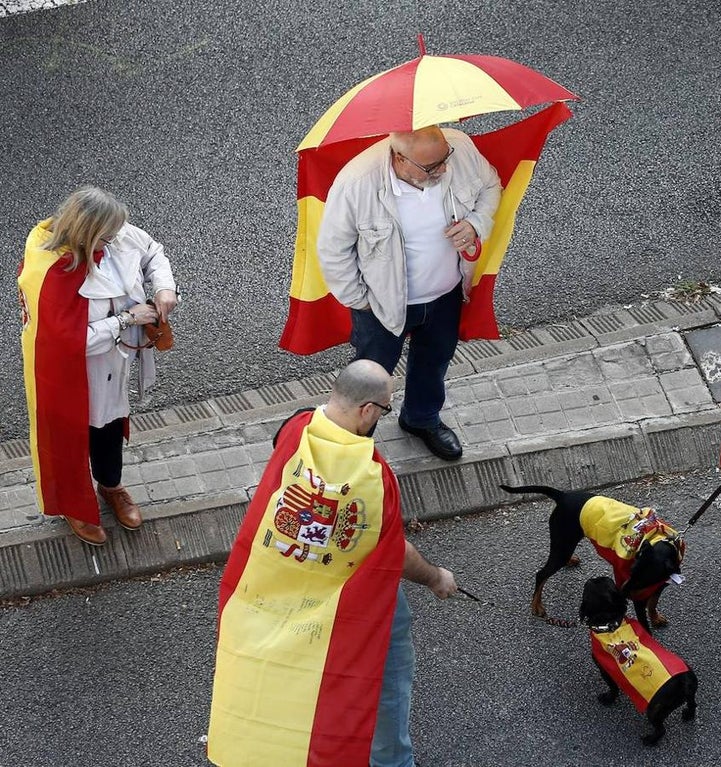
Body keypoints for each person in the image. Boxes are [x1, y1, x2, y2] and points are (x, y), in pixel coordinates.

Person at [207, 360, 458, 767]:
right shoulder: (372, 480)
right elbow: (394, 554)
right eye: (385, 409)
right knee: (384, 684)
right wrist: (436, 578)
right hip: (346, 607)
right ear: (368, 411)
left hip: (274, 593)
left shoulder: (295, 428)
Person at [316, 125, 502, 461]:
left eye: (445, 160)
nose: (444, 169)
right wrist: (362, 301)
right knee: (371, 377)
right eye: (432, 168)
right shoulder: (356, 183)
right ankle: (355, 442)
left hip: (445, 295)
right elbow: (333, 251)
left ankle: (421, 418)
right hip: (383, 305)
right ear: (400, 160)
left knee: (434, 363)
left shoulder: (457, 150)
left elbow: (491, 184)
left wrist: (476, 223)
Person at [18, 186, 178, 546]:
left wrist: (165, 287)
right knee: (68, 438)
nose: (116, 238)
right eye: (107, 235)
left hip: (110, 365)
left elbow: (151, 250)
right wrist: (126, 320)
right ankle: (74, 504)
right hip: (68, 373)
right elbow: (67, 341)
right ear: (86, 234)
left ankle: (110, 485)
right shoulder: (49, 270)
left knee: (106, 427)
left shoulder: (114, 233)